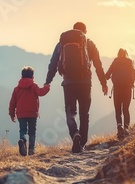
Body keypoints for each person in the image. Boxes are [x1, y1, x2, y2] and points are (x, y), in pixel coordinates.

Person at [45, 22, 108, 153]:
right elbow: (98, 65)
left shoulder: (62, 43)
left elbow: (53, 63)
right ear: (85, 31)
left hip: (68, 83)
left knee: (70, 113)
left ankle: (75, 134)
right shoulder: (89, 43)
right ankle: (82, 144)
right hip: (85, 83)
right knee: (84, 114)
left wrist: (48, 81)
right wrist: (103, 83)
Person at [9, 66, 50, 156]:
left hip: (21, 114)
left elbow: (12, 103)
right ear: (32, 77)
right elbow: (41, 92)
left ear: (21, 77)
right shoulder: (34, 86)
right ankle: (31, 149)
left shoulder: (16, 89)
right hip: (32, 113)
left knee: (22, 129)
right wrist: (47, 86)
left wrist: (12, 114)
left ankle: (22, 140)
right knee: (32, 131)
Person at [105, 48, 135, 140]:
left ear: (118, 54)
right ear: (126, 54)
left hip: (117, 89)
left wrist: (111, 76)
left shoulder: (115, 62)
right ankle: (126, 128)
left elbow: (107, 76)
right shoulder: (129, 63)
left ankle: (119, 127)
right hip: (127, 89)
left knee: (117, 110)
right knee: (126, 109)